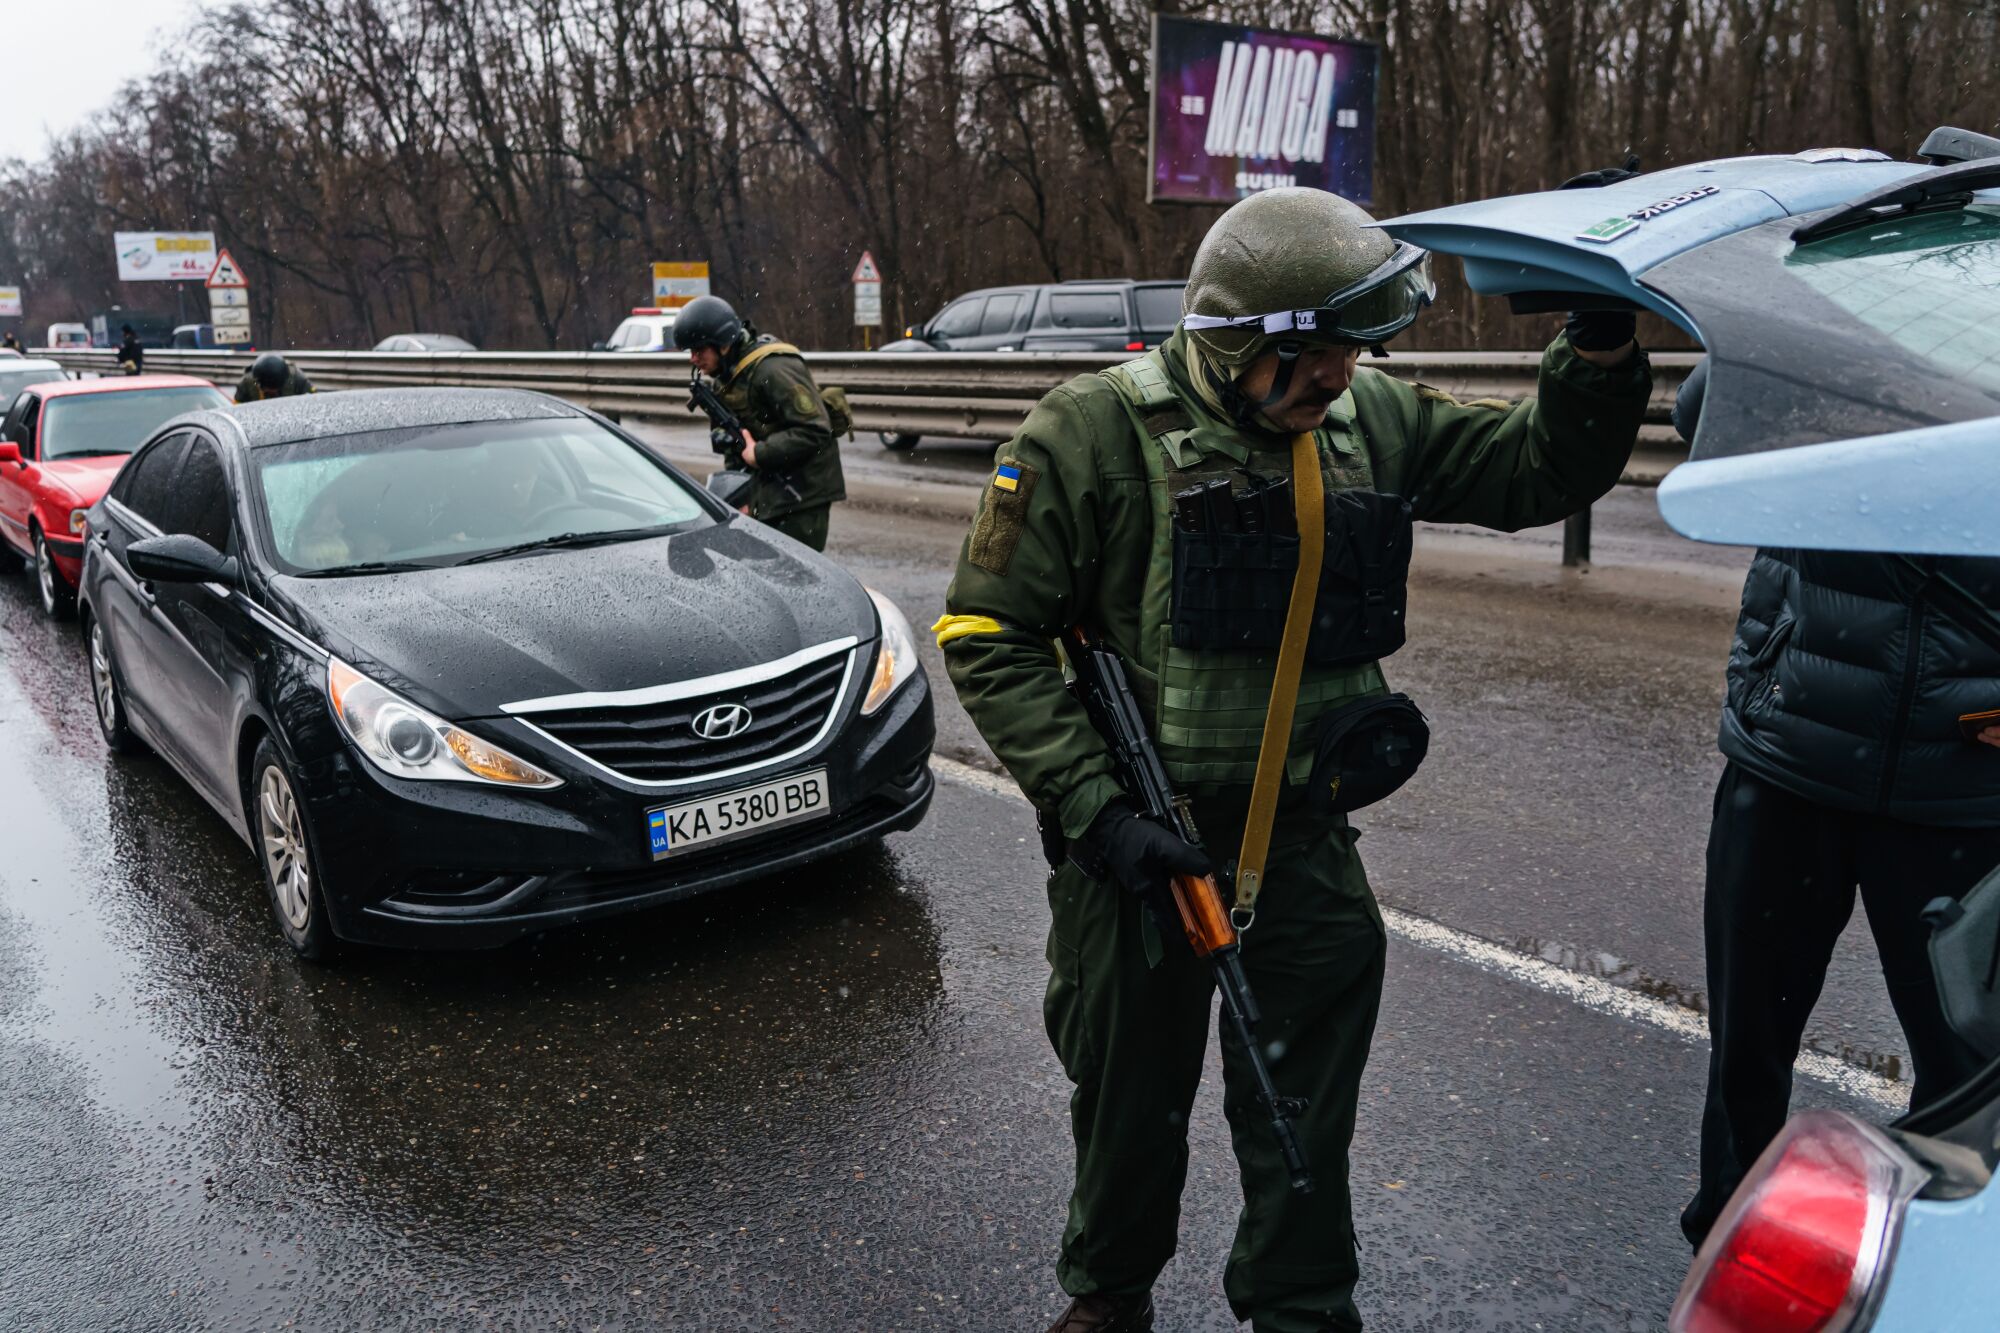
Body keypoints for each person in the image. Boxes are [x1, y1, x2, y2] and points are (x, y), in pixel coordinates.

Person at [934, 186, 1650, 1333]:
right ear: (1236, 342)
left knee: (1301, 1109)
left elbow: (1537, 471)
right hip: (1140, 851)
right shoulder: (1089, 432)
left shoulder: (1369, 419)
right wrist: (1097, 811)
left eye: (1356, 353)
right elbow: (987, 633)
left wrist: (1598, 345)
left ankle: (1300, 1308)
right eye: (1318, 357)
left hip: (1303, 848)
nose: (1339, 380)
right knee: (1126, 1100)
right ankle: (1107, 1296)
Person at [1675, 357, 2000, 1247]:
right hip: (1790, 753)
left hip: (1966, 784)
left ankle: (1930, 1266)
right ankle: (1729, 1250)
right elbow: (1705, 410)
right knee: (1747, 1050)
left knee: (1967, 1071)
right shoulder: (1846, 326)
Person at [671, 294, 845, 552]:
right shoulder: (726, 377)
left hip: (803, 496)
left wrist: (759, 454)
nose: (693, 359)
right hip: (768, 492)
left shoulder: (772, 370)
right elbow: (734, 444)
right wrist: (738, 495)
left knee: (797, 578)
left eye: (699, 350)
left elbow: (814, 430)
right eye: (690, 352)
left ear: (723, 344)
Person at [235, 351, 315, 403]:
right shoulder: (247, 383)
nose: (272, 392)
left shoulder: (298, 380)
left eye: (274, 388)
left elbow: (313, 403)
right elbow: (236, 411)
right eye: (269, 388)